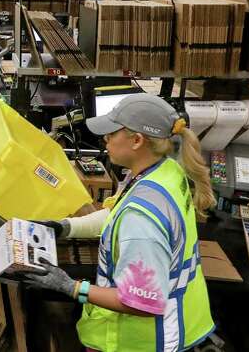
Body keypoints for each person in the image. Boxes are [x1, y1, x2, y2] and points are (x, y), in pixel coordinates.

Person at [22, 93, 216, 352]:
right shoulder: (163, 172)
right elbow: (115, 215)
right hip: (179, 323)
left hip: (141, 342)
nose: (105, 139)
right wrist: (65, 227)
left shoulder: (141, 220)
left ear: (137, 140)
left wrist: (70, 287)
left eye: (112, 133)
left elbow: (140, 302)